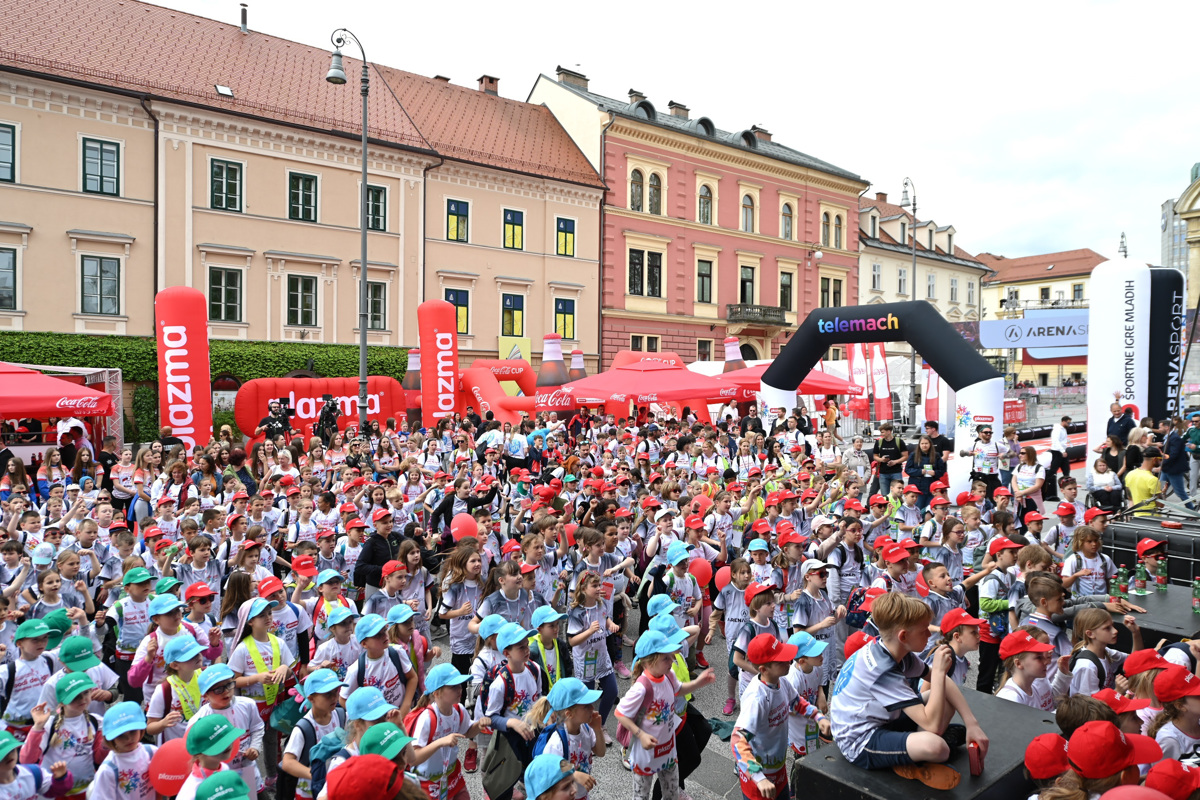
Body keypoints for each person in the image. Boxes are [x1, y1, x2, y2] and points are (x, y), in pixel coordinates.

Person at [828, 592, 988, 789]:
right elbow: (933, 725)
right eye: (924, 631)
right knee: (937, 748)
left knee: (947, 700)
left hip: (882, 716)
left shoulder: (893, 647)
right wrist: (938, 672)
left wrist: (973, 724)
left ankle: (913, 746)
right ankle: (909, 762)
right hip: (860, 740)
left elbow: (944, 686)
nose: (931, 635)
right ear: (903, 635)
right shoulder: (882, 670)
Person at [1126, 446, 1164, 516]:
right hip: (1152, 517)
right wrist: (1163, 492)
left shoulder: (1130, 474)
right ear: (1155, 459)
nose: (1161, 461)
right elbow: (1160, 505)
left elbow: (1130, 498)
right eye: (1160, 459)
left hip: (1137, 516)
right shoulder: (1153, 480)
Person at [1045, 415, 1071, 502]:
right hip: (1057, 451)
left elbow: (1063, 440)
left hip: (1062, 450)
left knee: (1066, 469)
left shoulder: (1063, 429)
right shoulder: (1057, 429)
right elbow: (1055, 441)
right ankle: (1045, 484)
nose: (1069, 424)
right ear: (1063, 421)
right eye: (1068, 422)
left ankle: (1067, 485)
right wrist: (1062, 451)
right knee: (1053, 470)